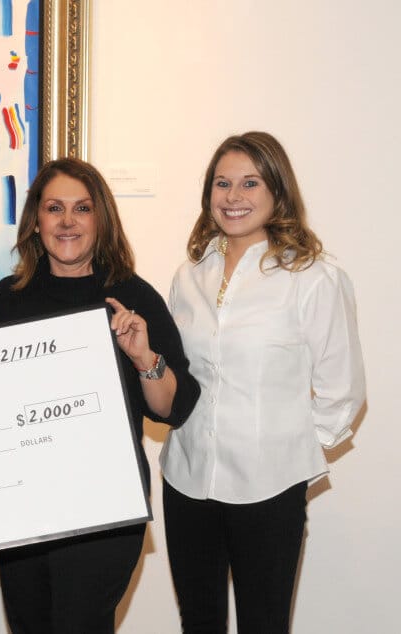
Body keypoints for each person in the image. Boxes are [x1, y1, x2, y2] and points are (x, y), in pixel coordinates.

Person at [162, 131, 366, 633]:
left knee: (265, 624)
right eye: (222, 183)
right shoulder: (189, 274)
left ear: (278, 190)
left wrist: (291, 452)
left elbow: (343, 389)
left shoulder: (313, 277)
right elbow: (180, 373)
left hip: (269, 487)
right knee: (198, 623)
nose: (234, 196)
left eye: (250, 183)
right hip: (186, 479)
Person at [0, 157, 200, 633]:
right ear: (35, 220)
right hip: (24, 503)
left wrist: (143, 356)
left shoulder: (134, 297)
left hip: (106, 504)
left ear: (101, 219)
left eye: (82, 208)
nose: (68, 221)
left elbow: (172, 408)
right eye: (54, 208)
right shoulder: (7, 299)